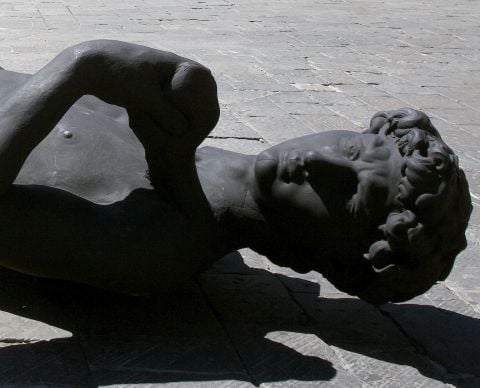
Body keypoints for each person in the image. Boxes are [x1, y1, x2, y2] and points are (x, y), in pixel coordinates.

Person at [0, 40, 471, 304]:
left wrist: (80, 67)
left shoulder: (162, 246)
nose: (320, 163)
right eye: (350, 149)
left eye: (350, 195)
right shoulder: (181, 140)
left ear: (330, 254)